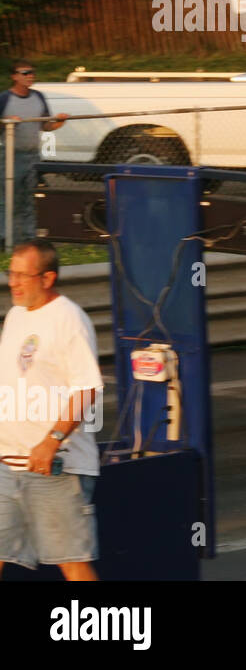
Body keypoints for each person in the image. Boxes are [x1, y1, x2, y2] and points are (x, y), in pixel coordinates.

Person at [0, 240, 102, 580]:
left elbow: (87, 388)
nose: (12, 282)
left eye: (21, 276)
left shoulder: (69, 320)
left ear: (47, 278)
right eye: (10, 273)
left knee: (70, 561)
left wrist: (52, 440)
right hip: (7, 463)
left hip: (56, 466)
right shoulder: (15, 315)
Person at [0, 60, 69, 247]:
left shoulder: (38, 97)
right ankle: (5, 239)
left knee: (29, 198)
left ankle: (28, 239)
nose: (30, 76)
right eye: (25, 72)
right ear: (14, 76)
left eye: (32, 72)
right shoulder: (5, 99)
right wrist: (6, 122)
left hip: (33, 156)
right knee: (8, 199)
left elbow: (45, 126)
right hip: (10, 156)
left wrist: (60, 122)